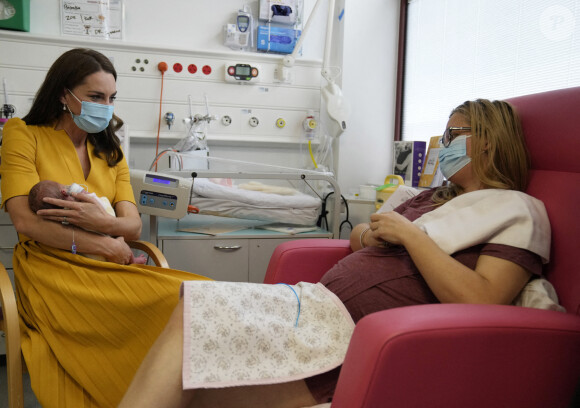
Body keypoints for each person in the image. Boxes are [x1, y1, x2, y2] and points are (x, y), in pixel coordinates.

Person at [119, 98, 551, 407]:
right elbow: (361, 232)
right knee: (192, 358)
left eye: (455, 134)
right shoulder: (433, 197)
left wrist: (411, 237)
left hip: (347, 333)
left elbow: (482, 297)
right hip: (317, 305)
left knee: (196, 317)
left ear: (490, 141)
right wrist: (376, 234)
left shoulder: (514, 208)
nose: (445, 142)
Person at [0, 48, 211, 408]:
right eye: (96, 97)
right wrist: (104, 244)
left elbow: (132, 225)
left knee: (196, 296)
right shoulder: (24, 134)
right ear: (63, 94)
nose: (106, 106)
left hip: (112, 261)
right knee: (166, 304)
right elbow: (25, 221)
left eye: (112, 98)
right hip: (52, 269)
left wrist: (103, 225)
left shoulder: (110, 151)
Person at [28, 179, 147, 263]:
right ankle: (133, 260)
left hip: (99, 252)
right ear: (64, 193)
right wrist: (112, 243)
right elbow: (25, 224)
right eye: (64, 186)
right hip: (93, 255)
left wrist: (107, 225)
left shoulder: (114, 155)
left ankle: (132, 260)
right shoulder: (73, 207)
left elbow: (135, 229)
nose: (68, 186)